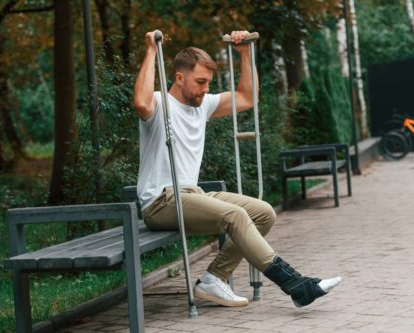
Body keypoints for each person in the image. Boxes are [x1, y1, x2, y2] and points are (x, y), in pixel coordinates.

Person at [133, 30, 341, 308]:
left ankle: (213, 279)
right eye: (200, 82)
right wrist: (151, 51)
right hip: (160, 202)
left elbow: (247, 97)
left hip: (192, 194)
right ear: (179, 78)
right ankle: (295, 284)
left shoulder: (202, 105)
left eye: (209, 82)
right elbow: (140, 103)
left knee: (263, 213)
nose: (206, 88)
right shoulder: (160, 103)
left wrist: (244, 53)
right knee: (234, 214)